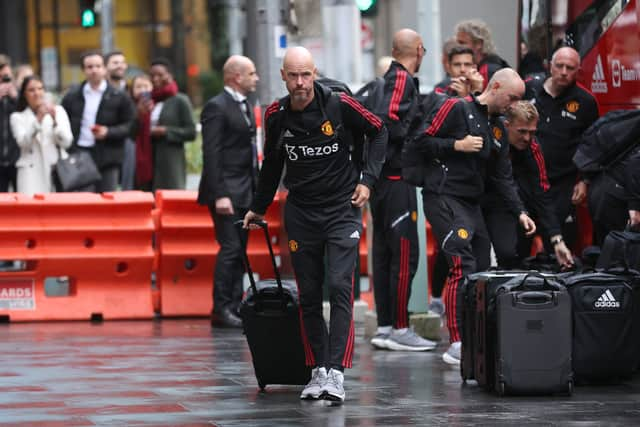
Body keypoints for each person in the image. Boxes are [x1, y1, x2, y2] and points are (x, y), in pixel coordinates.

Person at [243, 47, 387, 402]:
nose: (300, 83)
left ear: (315, 72)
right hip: (302, 213)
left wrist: (367, 180)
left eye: (306, 74)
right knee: (308, 295)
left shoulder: (339, 104)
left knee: (340, 285)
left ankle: (336, 371)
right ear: (283, 76)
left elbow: (380, 131)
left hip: (342, 209)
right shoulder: (276, 114)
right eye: (293, 76)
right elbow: (272, 165)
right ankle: (318, 368)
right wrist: (258, 207)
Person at [415, 68, 536, 366]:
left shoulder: (498, 127)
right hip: (443, 195)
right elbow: (419, 142)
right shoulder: (456, 107)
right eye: (512, 97)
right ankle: (455, 342)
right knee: (461, 262)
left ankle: (473, 337)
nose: (514, 104)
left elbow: (502, 176)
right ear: (495, 86)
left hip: (471, 203)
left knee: (481, 269)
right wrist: (456, 145)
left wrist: (520, 212)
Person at [369, 29, 436, 352]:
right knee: (404, 256)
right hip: (396, 182)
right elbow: (387, 120)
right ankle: (398, 327)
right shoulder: (401, 79)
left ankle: (386, 327)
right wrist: (412, 138)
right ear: (419, 50)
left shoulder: (389, 79)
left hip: (385, 180)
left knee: (384, 254)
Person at [197, 55, 259, 328]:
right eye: (252, 73)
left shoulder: (245, 104)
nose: (256, 78)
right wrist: (220, 193)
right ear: (236, 77)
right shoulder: (216, 107)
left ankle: (234, 305)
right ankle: (221, 307)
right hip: (226, 191)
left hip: (245, 190)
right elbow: (212, 153)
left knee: (240, 250)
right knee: (231, 248)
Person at [524, 46, 599, 251]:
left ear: (578, 71)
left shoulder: (586, 101)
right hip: (526, 179)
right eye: (560, 66)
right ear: (550, 66)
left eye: (570, 67)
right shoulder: (528, 88)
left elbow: (591, 145)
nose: (564, 71)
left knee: (558, 243)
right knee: (517, 244)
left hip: (562, 183)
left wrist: (584, 180)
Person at [482, 101, 573, 268]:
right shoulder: (488, 134)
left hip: (507, 205)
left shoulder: (533, 147)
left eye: (531, 132)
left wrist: (557, 239)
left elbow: (542, 192)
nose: (527, 138)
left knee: (509, 254)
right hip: (477, 197)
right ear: (507, 125)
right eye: (521, 131)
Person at [61, 51, 135, 192]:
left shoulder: (119, 96)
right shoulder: (72, 96)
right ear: (83, 70)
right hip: (80, 155)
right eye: (89, 67)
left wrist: (108, 132)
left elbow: (131, 125)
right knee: (83, 203)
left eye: (98, 66)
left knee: (107, 203)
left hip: (108, 156)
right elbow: (63, 121)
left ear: (104, 68)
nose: (94, 70)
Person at [10, 75, 72, 195]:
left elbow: (67, 142)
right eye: (31, 90)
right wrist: (38, 120)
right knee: (31, 211)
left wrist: (55, 122)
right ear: (24, 94)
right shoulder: (17, 117)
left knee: (57, 210)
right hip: (30, 172)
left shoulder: (57, 110)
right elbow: (23, 143)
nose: (37, 93)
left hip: (56, 170)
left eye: (40, 88)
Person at [148, 58, 196, 190]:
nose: (155, 79)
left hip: (170, 160)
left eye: (160, 75)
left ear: (169, 76)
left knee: (170, 198)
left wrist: (166, 131)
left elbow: (191, 132)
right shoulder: (148, 100)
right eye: (152, 75)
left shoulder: (180, 100)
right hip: (149, 159)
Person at [105, 50, 135, 191]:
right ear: (106, 67)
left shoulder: (132, 90)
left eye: (122, 62)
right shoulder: (99, 92)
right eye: (115, 62)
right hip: (106, 146)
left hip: (128, 143)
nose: (120, 66)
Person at [455, 19, 509, 88]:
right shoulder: (483, 66)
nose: (457, 47)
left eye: (462, 43)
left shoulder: (488, 71)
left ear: (479, 44)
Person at [129, 74, 154, 189]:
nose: (142, 90)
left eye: (146, 86)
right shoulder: (128, 106)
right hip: (133, 156)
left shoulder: (157, 105)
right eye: (138, 87)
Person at [0, 54, 19, 192]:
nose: (4, 81)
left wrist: (16, 97)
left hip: (18, 160)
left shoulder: (19, 96)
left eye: (7, 77)